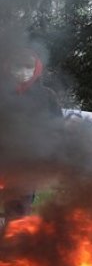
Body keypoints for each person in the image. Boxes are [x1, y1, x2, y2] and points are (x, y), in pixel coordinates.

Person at [1, 49, 61, 227]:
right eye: (18, 65)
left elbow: (57, 126)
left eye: (28, 66)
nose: (23, 71)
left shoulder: (47, 96)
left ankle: (13, 246)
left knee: (18, 209)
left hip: (26, 161)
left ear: (37, 69)